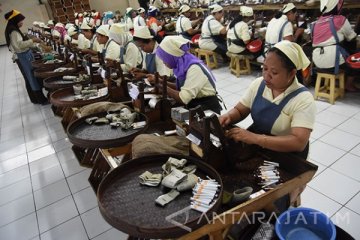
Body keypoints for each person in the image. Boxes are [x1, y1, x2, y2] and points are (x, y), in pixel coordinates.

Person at [219, 40, 316, 206]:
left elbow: (298, 142)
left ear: (292, 73)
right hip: (258, 144)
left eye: (274, 72)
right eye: (264, 69)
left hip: (288, 154)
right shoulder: (259, 85)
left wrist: (256, 138)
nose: (266, 76)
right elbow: (242, 109)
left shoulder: (303, 99)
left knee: (275, 198)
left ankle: (280, 210)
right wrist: (229, 116)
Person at [153, 35, 222, 113]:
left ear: (172, 56)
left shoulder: (194, 69)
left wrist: (162, 87)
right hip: (195, 104)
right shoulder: (182, 65)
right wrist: (161, 82)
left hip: (207, 109)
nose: (163, 62)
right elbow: (184, 87)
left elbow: (183, 98)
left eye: (165, 59)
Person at [312, 0, 358, 91]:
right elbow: (352, 37)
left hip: (318, 63)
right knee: (355, 60)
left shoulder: (315, 23)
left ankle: (334, 82)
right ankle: (348, 84)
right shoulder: (340, 19)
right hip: (333, 63)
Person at [4, 10, 48, 104]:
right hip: (23, 57)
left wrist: (35, 45)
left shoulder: (13, 28)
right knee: (32, 78)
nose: (22, 22)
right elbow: (19, 45)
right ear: (16, 20)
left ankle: (35, 99)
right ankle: (41, 99)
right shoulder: (14, 31)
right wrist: (33, 40)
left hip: (24, 55)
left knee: (29, 78)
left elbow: (22, 43)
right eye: (20, 20)